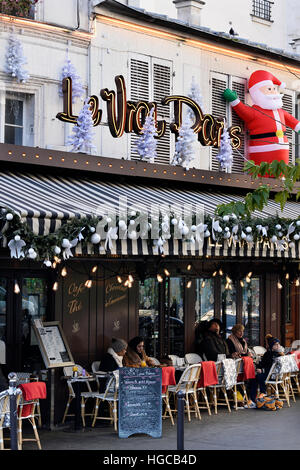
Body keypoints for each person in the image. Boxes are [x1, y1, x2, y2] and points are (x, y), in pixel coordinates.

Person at [223, 69, 300, 170]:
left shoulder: (280, 111)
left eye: (273, 89)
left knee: (281, 174)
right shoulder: (256, 112)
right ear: (257, 93)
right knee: (262, 175)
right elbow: (243, 111)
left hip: (283, 149)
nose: (273, 92)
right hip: (261, 149)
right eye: (269, 89)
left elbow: (293, 122)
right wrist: (234, 100)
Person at [248, 334, 285, 407]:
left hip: (273, 375)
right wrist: (258, 366)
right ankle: (254, 398)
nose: (278, 346)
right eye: (276, 345)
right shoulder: (268, 354)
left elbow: (272, 368)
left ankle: (261, 393)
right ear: (271, 346)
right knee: (254, 377)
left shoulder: (277, 355)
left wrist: (262, 370)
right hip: (270, 374)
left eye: (278, 344)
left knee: (257, 377)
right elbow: (262, 363)